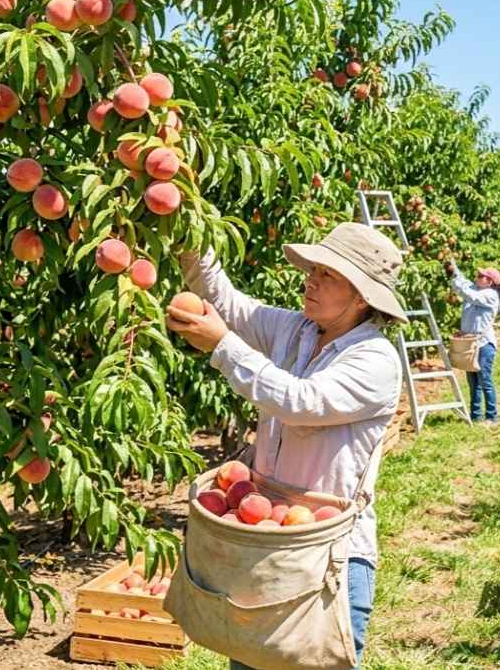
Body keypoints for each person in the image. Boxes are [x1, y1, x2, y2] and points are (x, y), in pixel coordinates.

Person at [166, 223, 406, 670]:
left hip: (326, 557)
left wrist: (222, 346)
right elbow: (225, 301)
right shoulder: (295, 330)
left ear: (361, 297)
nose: (310, 279)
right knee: (249, 661)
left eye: (327, 274)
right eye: (313, 269)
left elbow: (301, 402)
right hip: (263, 544)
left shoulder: (374, 360)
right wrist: (186, 231)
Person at [446, 262, 500, 424]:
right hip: (470, 343)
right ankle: (476, 415)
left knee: (485, 381)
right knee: (473, 382)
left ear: (490, 281)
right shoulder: (476, 289)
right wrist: (453, 267)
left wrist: (455, 280)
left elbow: (467, 294)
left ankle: (492, 416)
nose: (477, 277)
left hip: (484, 345)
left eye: (481, 276)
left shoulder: (490, 295)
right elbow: (463, 282)